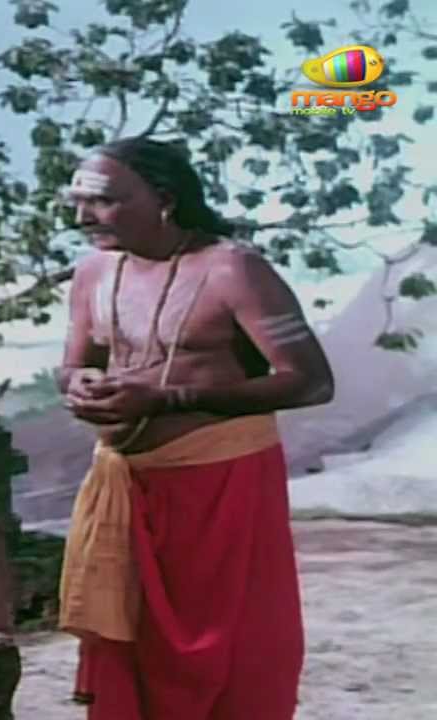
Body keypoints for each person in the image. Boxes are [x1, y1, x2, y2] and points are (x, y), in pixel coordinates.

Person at [54, 137, 334, 719]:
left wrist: (168, 400)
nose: (82, 218)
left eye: (102, 201)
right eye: (77, 202)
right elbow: (73, 364)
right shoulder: (93, 272)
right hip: (128, 481)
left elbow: (311, 382)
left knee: (230, 649)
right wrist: (79, 383)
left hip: (221, 485)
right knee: (137, 650)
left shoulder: (233, 269)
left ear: (164, 198)